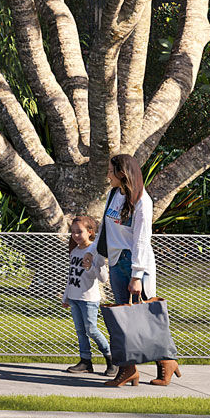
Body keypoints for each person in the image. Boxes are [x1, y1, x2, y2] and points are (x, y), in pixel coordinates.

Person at [97, 152, 173, 388]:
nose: (108, 175)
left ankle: (166, 361)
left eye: (111, 171)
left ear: (122, 173)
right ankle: (128, 369)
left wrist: (137, 275)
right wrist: (96, 254)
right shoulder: (113, 195)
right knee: (123, 320)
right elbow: (105, 229)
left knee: (147, 317)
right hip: (116, 261)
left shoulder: (142, 201)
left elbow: (141, 239)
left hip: (134, 262)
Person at [58, 213, 108, 376]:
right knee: (80, 332)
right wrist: (66, 296)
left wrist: (90, 266)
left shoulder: (94, 251)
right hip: (74, 298)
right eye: (73, 232)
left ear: (90, 232)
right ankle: (85, 361)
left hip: (88, 299)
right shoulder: (74, 251)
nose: (75, 235)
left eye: (79, 231)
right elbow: (71, 277)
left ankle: (110, 358)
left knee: (91, 330)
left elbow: (103, 278)